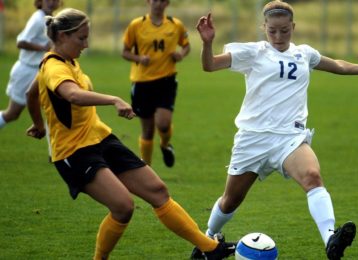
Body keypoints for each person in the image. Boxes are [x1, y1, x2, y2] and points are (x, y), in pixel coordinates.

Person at [25, 8, 235, 260]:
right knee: (123, 207)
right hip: (74, 151)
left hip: (100, 138)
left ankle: (209, 250)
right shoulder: (53, 66)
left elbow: (31, 93)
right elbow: (71, 95)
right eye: (81, 38)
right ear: (61, 36)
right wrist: (113, 99)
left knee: (157, 190)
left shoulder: (67, 61)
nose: (87, 44)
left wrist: (38, 124)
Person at [194, 1, 358, 259]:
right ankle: (205, 241)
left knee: (313, 176)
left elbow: (336, 65)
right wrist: (206, 43)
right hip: (253, 139)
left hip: (289, 139)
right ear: (264, 28)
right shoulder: (254, 52)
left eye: (284, 30)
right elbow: (210, 65)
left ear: (293, 27)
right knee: (230, 200)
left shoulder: (304, 53)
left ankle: (330, 239)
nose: (279, 36)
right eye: (272, 31)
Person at [121, 0, 190, 167]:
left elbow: (186, 46)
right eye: (155, 0)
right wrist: (139, 58)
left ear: (167, 3)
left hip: (166, 81)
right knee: (148, 131)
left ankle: (165, 145)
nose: (158, 4)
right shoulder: (136, 25)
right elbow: (125, 52)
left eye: (162, 1)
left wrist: (180, 54)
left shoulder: (175, 25)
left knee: (164, 124)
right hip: (142, 83)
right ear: (148, 2)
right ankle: (147, 169)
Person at [0, 0, 60, 129]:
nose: (51, 3)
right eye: (47, 0)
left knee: (56, 109)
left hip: (41, 71)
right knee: (12, 114)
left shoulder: (51, 19)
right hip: (26, 72)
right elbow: (21, 42)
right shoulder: (38, 19)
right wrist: (43, 48)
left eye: (55, 0)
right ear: (40, 2)